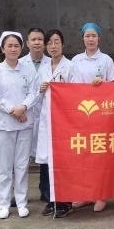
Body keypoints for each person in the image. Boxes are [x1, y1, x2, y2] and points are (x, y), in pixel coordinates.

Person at [0, 31, 39, 219]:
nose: (13, 49)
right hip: (4, 125)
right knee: (5, 167)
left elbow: (34, 93)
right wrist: (13, 110)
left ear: (21, 48)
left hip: (24, 124)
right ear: (2, 48)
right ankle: (4, 204)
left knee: (22, 165)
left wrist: (23, 107)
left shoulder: (28, 70)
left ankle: (22, 203)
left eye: (16, 46)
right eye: (9, 46)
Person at [70, 22, 114, 212]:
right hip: (82, 113)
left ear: (99, 38)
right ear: (83, 38)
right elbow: (71, 87)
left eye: (94, 36)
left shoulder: (106, 60)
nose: (91, 39)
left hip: (101, 115)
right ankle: (85, 194)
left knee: (100, 155)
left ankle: (101, 194)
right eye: (87, 36)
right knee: (84, 155)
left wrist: (103, 83)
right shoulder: (75, 61)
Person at [35, 29, 75, 218]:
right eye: (50, 43)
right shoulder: (43, 69)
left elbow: (76, 92)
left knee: (64, 160)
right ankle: (53, 200)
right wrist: (41, 90)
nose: (53, 46)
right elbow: (36, 95)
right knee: (48, 161)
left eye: (56, 42)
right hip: (47, 119)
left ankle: (66, 201)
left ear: (62, 45)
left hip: (64, 121)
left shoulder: (70, 66)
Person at [19, 27, 51, 205]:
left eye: (40, 39)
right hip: (25, 115)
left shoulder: (52, 62)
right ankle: (20, 194)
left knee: (45, 154)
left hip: (46, 115)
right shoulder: (20, 63)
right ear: (27, 43)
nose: (37, 42)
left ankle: (45, 189)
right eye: (34, 39)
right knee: (21, 157)